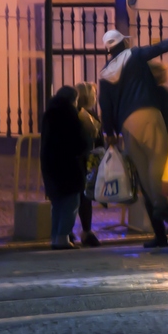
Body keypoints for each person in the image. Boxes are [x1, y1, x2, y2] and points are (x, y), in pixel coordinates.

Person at [98, 29, 168, 249]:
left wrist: (110, 133)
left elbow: (106, 106)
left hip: (126, 125)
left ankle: (159, 231)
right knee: (157, 160)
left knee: (142, 171)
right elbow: (161, 47)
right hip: (147, 113)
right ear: (124, 43)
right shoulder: (135, 55)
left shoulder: (105, 73)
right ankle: (162, 204)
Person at [41, 86, 89, 250]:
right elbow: (78, 142)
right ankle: (63, 236)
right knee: (71, 202)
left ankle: (56, 236)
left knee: (57, 204)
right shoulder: (70, 114)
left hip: (50, 165)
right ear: (73, 99)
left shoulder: (50, 112)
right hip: (68, 166)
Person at [74, 81, 102, 248]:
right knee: (85, 197)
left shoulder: (74, 113)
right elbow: (99, 142)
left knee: (74, 197)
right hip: (87, 161)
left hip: (75, 160)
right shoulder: (90, 116)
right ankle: (86, 231)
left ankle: (67, 231)